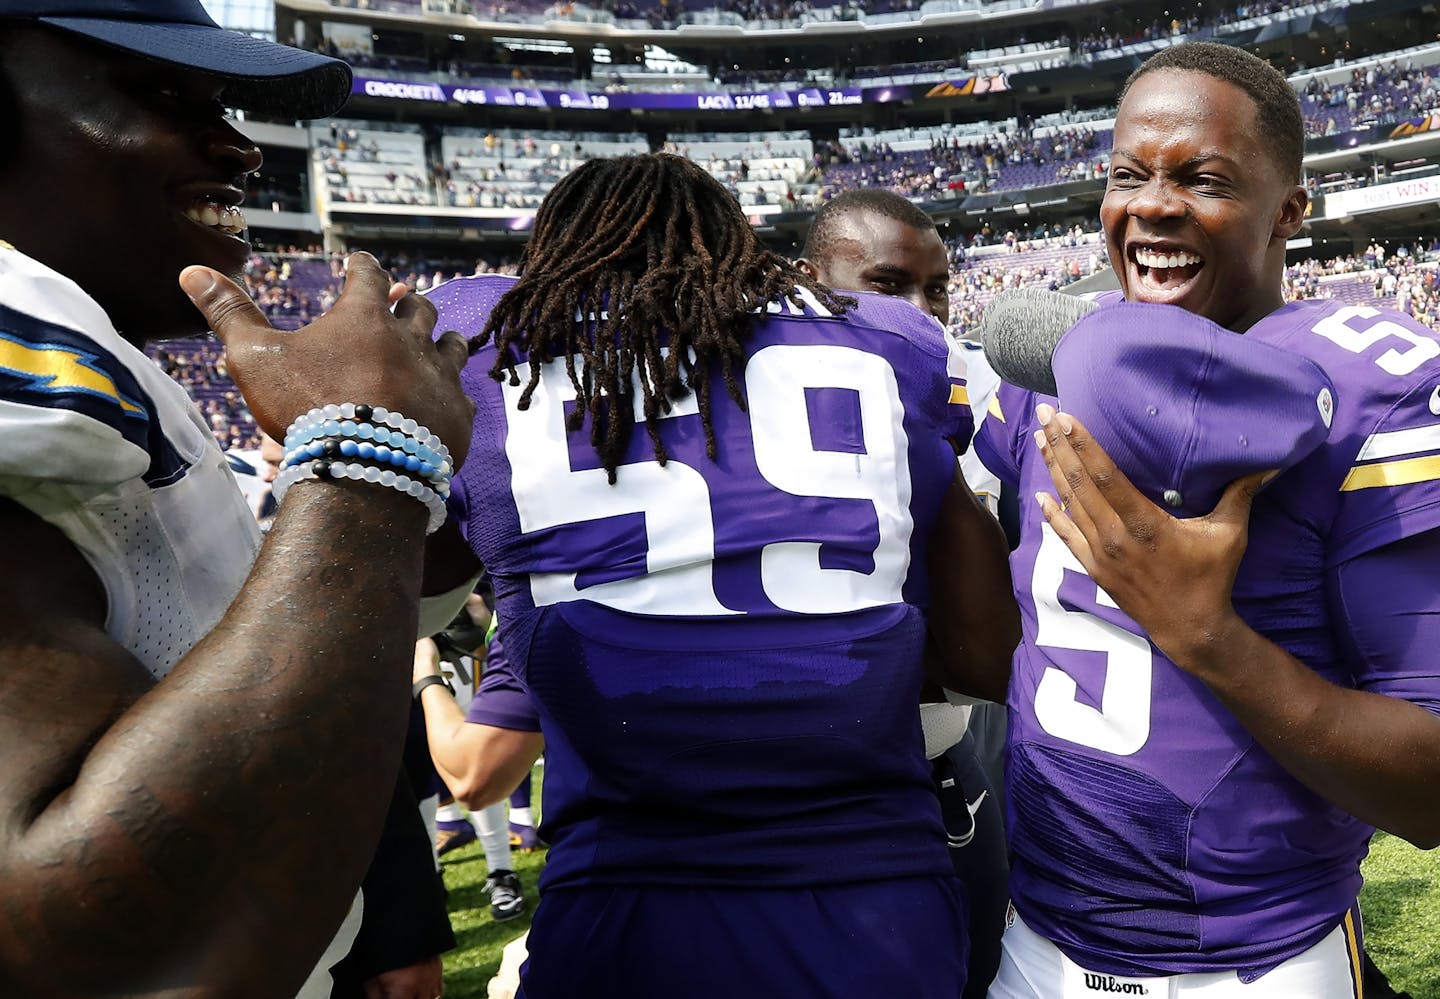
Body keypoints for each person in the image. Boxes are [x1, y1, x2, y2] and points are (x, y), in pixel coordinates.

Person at [426, 152, 1018, 997]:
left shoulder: (479, 341)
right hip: (873, 897)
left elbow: (415, 591)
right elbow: (984, 657)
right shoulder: (888, 342)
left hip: (628, 892)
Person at [0, 1, 476, 994]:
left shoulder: (109, 352)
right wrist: (369, 463)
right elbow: (85, 949)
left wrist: (426, 538)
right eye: (167, 95)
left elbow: (206, 640)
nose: (241, 147)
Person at [975, 41, 1440, 996]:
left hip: (1252, 961)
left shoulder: (1371, 395)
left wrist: (1207, 637)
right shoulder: (1051, 369)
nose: (1150, 203)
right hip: (1040, 940)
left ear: (1290, 212)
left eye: (1204, 178)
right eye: (1127, 175)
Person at [797, 187, 1011, 999]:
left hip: (949, 747)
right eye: (890, 285)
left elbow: (989, 651)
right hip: (809, 777)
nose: (923, 313)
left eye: (938, 288)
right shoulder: (742, 403)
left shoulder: (974, 384)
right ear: (807, 277)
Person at [415, 619, 544, 922]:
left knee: (482, 748)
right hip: (388, 639)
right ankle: (429, 878)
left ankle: (501, 871)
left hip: (452, 637)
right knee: (416, 761)